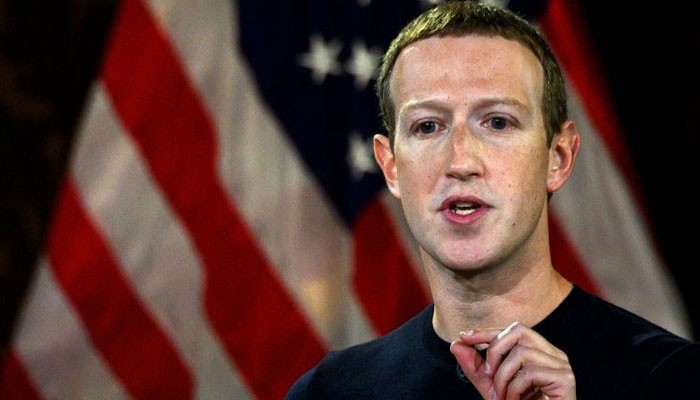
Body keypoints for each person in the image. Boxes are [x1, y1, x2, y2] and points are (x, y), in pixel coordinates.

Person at [285, 1, 700, 399]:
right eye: (428, 126)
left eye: (498, 122)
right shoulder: (329, 393)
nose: (461, 162)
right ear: (391, 167)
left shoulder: (673, 381)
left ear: (558, 157)